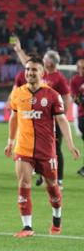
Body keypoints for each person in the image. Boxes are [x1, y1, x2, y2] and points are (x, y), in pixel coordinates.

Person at [5, 56, 80, 237]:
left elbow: (62, 119)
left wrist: (70, 144)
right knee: (23, 183)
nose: (30, 73)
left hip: (46, 150)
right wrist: (10, 141)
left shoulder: (52, 95)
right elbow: (14, 117)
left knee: (52, 186)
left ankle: (57, 217)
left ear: (42, 72)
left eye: (34, 69)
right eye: (27, 69)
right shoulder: (18, 93)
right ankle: (27, 227)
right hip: (23, 147)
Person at [12, 40, 72, 186]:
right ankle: (42, 174)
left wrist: (60, 114)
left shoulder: (59, 78)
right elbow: (28, 63)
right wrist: (19, 50)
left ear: (50, 63)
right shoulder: (41, 74)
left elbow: (66, 98)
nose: (43, 60)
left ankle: (59, 178)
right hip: (39, 120)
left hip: (53, 120)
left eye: (45, 59)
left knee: (55, 149)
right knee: (38, 148)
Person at [70, 59, 84, 177]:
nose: (82, 70)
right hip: (82, 115)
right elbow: (75, 98)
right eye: (81, 67)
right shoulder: (75, 80)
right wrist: (80, 100)